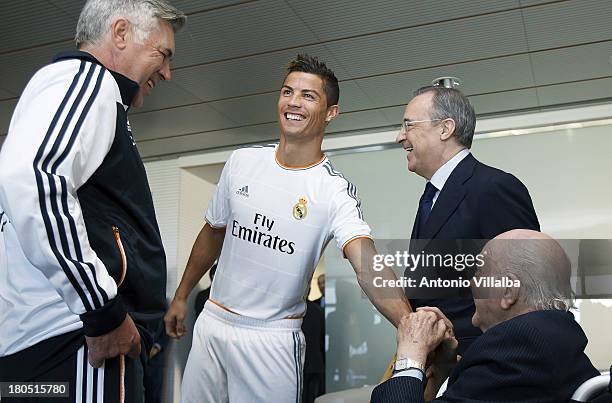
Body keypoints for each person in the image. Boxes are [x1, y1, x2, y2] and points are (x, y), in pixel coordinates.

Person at [164, 54, 411, 403]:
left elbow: (365, 262)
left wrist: (409, 325)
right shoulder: (241, 162)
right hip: (213, 322)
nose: (293, 102)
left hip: (272, 339)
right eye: (287, 91)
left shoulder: (333, 190)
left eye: (308, 96)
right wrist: (181, 296)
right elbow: (213, 231)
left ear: (331, 112)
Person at [0, 1, 185, 401]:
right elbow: (35, 179)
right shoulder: (88, 81)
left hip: (53, 340)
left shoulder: (81, 92)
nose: (167, 73)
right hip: (77, 341)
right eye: (162, 54)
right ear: (120, 34)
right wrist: (103, 312)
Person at [371, 229, 600, 403]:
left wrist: (410, 355)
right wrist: (444, 370)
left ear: (508, 291)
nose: (472, 283)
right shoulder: (549, 345)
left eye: (480, 272)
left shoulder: (516, 351)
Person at [396, 86, 540, 353]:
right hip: (438, 358)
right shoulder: (431, 196)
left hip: (482, 358)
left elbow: (526, 288)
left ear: (445, 128)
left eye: (408, 125)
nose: (399, 137)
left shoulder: (494, 187)